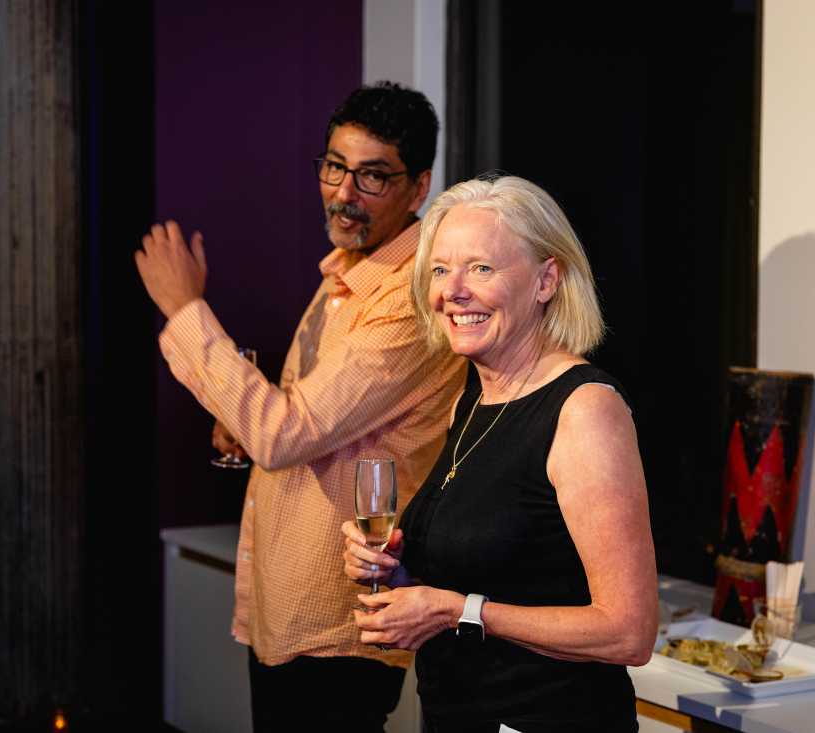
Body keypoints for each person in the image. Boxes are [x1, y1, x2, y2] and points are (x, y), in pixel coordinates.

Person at [134, 82, 466, 732]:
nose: (343, 192)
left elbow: (286, 433)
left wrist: (184, 311)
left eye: (372, 176)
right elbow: (300, 423)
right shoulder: (346, 273)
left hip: (340, 620)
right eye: (334, 166)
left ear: (419, 187)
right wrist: (245, 426)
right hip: (293, 607)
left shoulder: (408, 299)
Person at [341, 176, 658, 732]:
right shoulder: (472, 397)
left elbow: (629, 632)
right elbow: (494, 568)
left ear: (546, 281)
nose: (453, 291)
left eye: (481, 268)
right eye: (440, 270)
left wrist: (456, 610)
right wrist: (396, 576)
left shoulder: (585, 411)